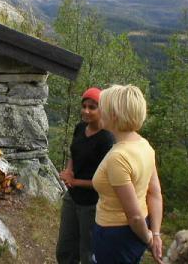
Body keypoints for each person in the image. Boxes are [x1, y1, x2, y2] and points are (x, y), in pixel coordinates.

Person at [91, 84, 163, 264]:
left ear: (114, 115)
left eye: (103, 108)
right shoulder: (144, 145)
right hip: (135, 232)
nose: (99, 111)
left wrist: (148, 240)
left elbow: (134, 216)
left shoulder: (118, 157)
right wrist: (155, 233)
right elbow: (154, 194)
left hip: (115, 236)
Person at [56, 87, 114, 264]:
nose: (86, 111)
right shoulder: (80, 128)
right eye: (84, 106)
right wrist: (69, 171)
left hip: (92, 203)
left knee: (87, 251)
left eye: (92, 107)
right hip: (72, 197)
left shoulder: (107, 139)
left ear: (102, 109)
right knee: (65, 248)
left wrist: (74, 181)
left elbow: (104, 182)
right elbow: (74, 151)